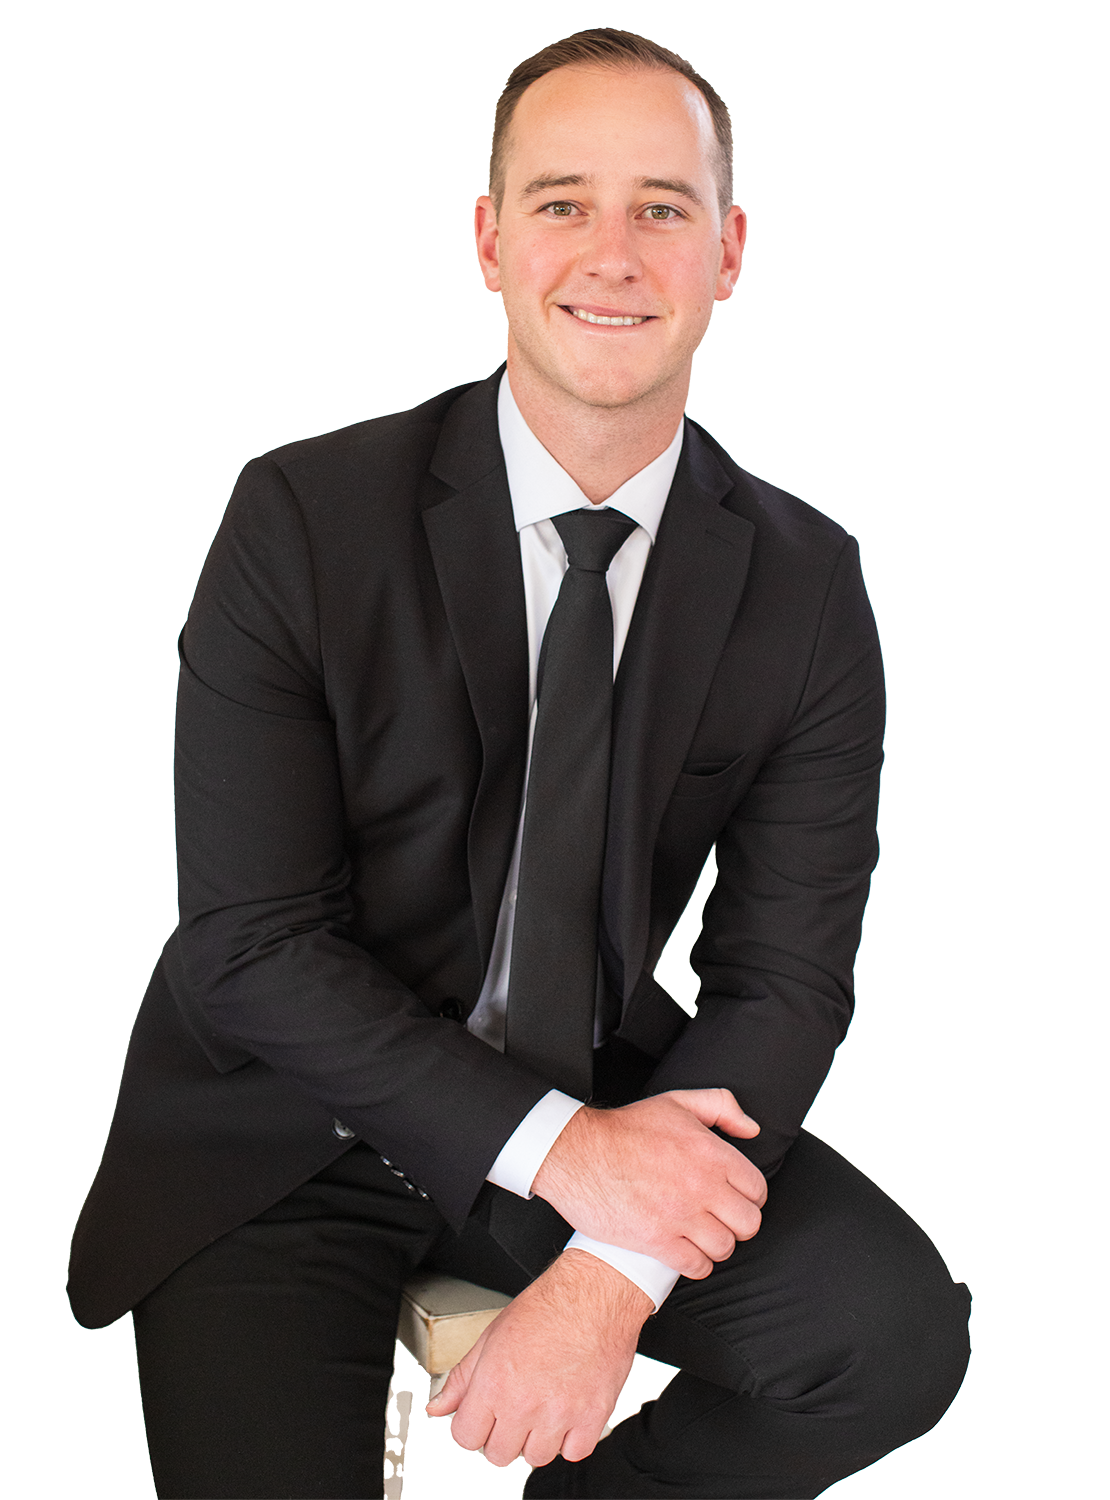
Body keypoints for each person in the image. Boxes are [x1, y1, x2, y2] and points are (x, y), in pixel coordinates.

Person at [67, 27, 972, 1500]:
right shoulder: (299, 516)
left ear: (726, 252)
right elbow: (246, 946)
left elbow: (782, 978)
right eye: (561, 203)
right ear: (489, 242)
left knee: (888, 1341)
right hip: (284, 1129)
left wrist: (611, 1265)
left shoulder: (805, 584)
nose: (609, 252)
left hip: (602, 1089)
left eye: (660, 208)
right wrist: (564, 1158)